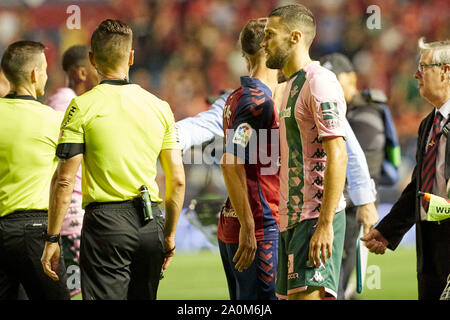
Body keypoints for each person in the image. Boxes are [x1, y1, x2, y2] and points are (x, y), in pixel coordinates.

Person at [40, 19, 185, 300]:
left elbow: (65, 178)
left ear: (92, 59)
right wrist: (168, 236)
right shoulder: (160, 107)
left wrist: (52, 237)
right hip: (150, 221)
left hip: (105, 225)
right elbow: (177, 180)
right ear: (131, 57)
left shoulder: (81, 106)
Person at [261, 4, 348, 300]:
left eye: (270, 34)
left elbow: (338, 152)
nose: (263, 42)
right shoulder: (287, 87)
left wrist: (324, 225)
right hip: (290, 221)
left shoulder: (319, 81)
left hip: (314, 219)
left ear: (295, 37)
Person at [362, 38, 450, 300]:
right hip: (430, 251)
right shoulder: (428, 124)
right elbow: (418, 187)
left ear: (446, 71)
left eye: (423, 68)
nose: (416, 74)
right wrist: (387, 231)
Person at [0, 40, 70, 300]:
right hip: (35, 231)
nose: (47, 75)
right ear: (33, 74)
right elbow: (67, 177)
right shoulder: (53, 120)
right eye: (44, 69)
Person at [218, 18, 280, 300]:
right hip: (258, 224)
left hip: (237, 220)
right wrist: (249, 226)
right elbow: (230, 161)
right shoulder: (256, 102)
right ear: (268, 48)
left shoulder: (236, 98)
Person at [319, 53, 387, 299]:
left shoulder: (366, 116)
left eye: (337, 80)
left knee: (338, 287)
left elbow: (362, 171)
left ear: (351, 78)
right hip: (340, 211)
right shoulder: (342, 114)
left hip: (353, 213)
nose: (332, 87)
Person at [46, 45, 98, 297]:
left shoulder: (62, 101)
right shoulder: (66, 104)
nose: (99, 72)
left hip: (72, 208)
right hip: (72, 212)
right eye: (94, 67)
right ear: (81, 73)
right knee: (75, 288)